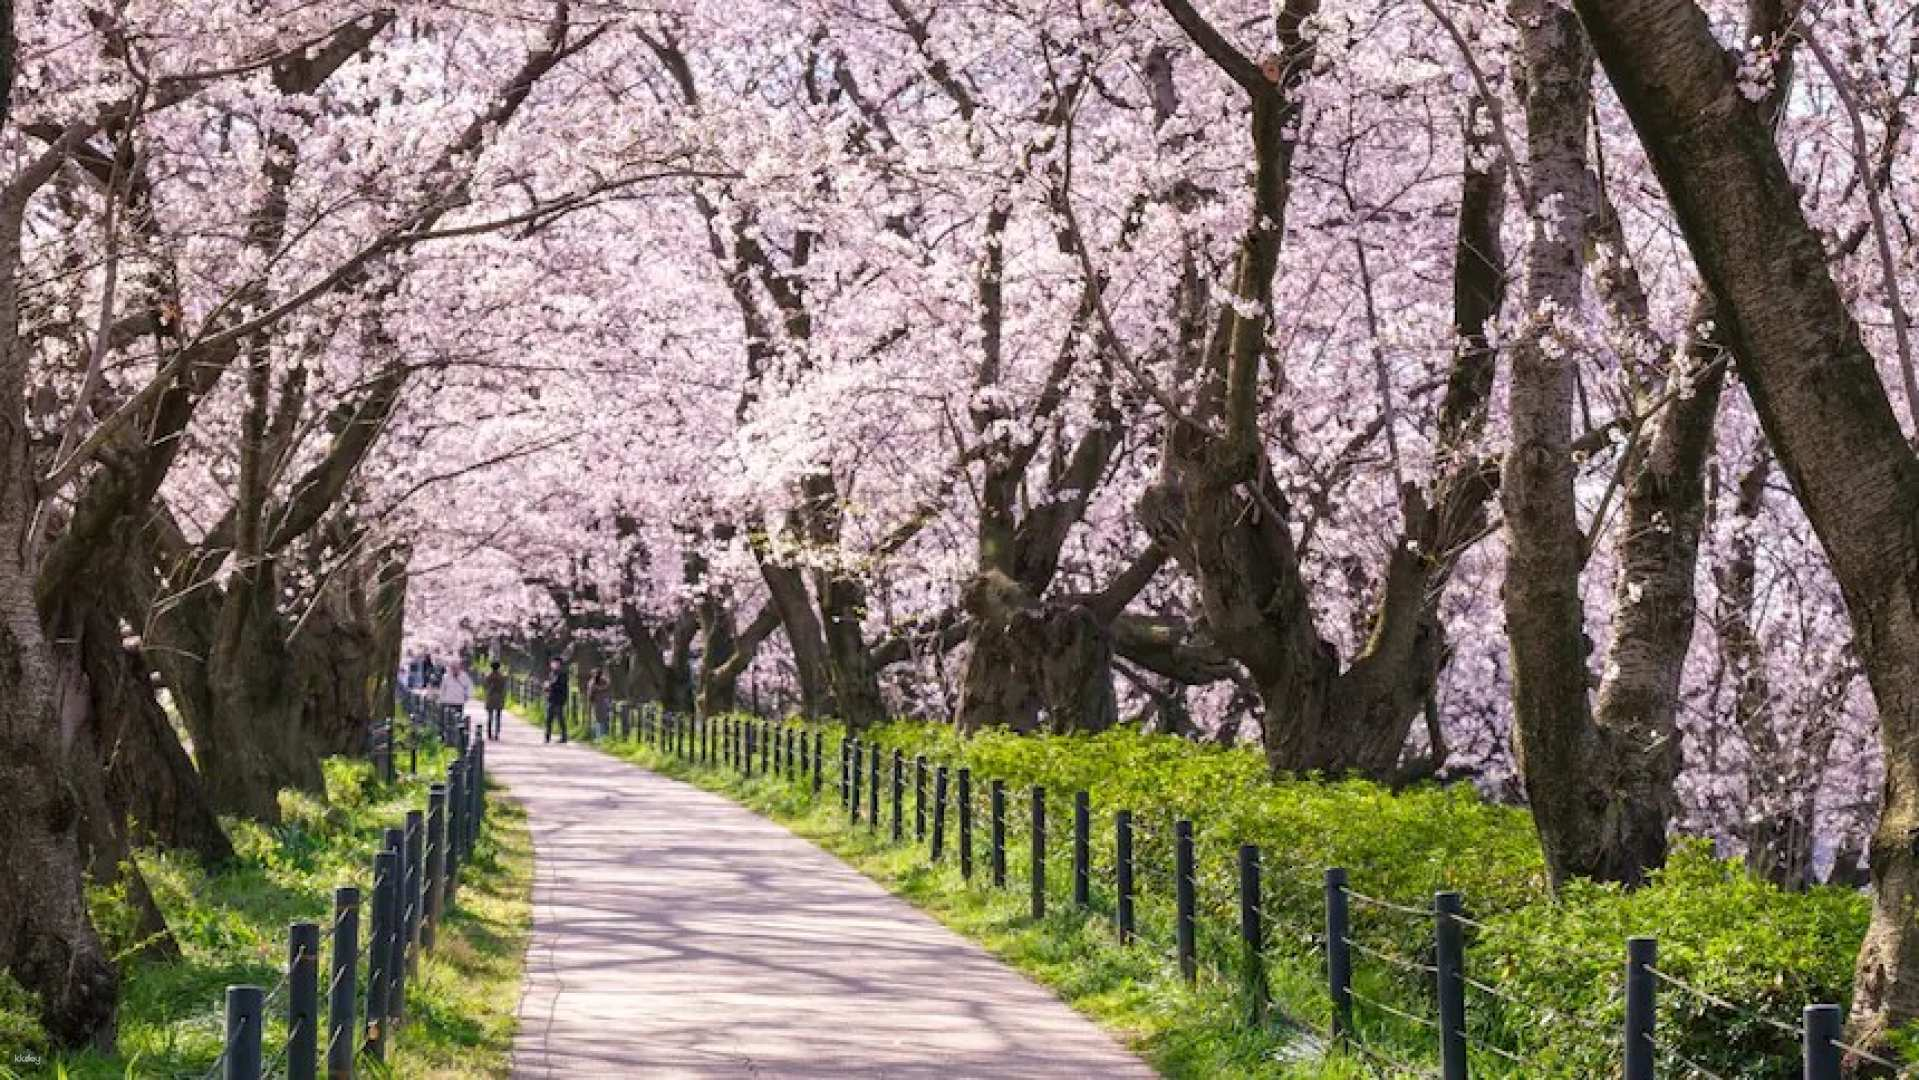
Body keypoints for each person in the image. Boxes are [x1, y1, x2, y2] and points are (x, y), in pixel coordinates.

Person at [438, 659, 473, 739]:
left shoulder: (464, 676)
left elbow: (469, 687)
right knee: (448, 720)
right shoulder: (446, 676)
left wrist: (467, 697)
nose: (454, 669)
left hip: (459, 702)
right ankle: (448, 737)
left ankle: (457, 737)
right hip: (448, 702)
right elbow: (442, 689)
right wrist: (442, 699)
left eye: (455, 667)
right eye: (452, 667)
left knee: (458, 720)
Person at [544, 656, 570, 743]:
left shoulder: (562, 674)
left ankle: (564, 737)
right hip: (551, 698)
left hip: (558, 699)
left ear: (559, 664)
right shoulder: (552, 673)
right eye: (553, 663)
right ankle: (547, 737)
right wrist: (547, 687)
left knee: (560, 718)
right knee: (548, 718)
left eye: (555, 663)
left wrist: (550, 685)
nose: (553, 664)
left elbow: (560, 686)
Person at [483, 660, 508, 740]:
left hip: (490, 697)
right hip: (499, 697)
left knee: (490, 716)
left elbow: (485, 686)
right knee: (498, 716)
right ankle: (497, 733)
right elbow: (504, 688)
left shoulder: (488, 676)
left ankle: (489, 733)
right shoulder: (502, 677)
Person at [588, 668, 613, 738]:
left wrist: (591, 700)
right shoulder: (605, 682)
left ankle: (599, 736)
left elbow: (590, 694)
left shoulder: (592, 682)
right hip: (603, 702)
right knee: (603, 719)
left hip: (598, 703)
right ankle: (602, 736)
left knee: (598, 719)